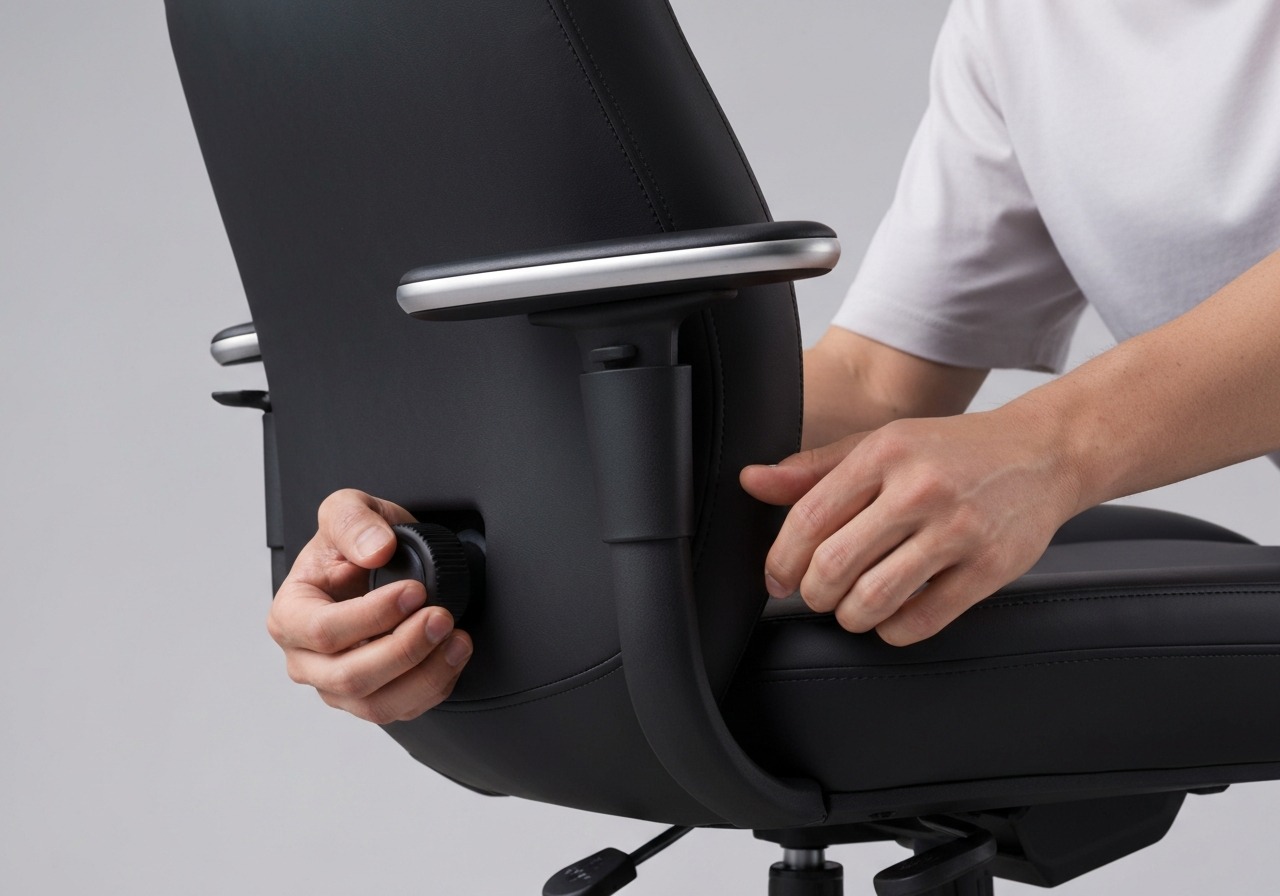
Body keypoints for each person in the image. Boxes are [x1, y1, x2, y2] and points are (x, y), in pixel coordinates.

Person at [267, 0, 1280, 722]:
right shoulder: (1024, 23)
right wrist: (461, 528)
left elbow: (1010, 443)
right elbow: (880, 382)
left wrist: (1050, 447)